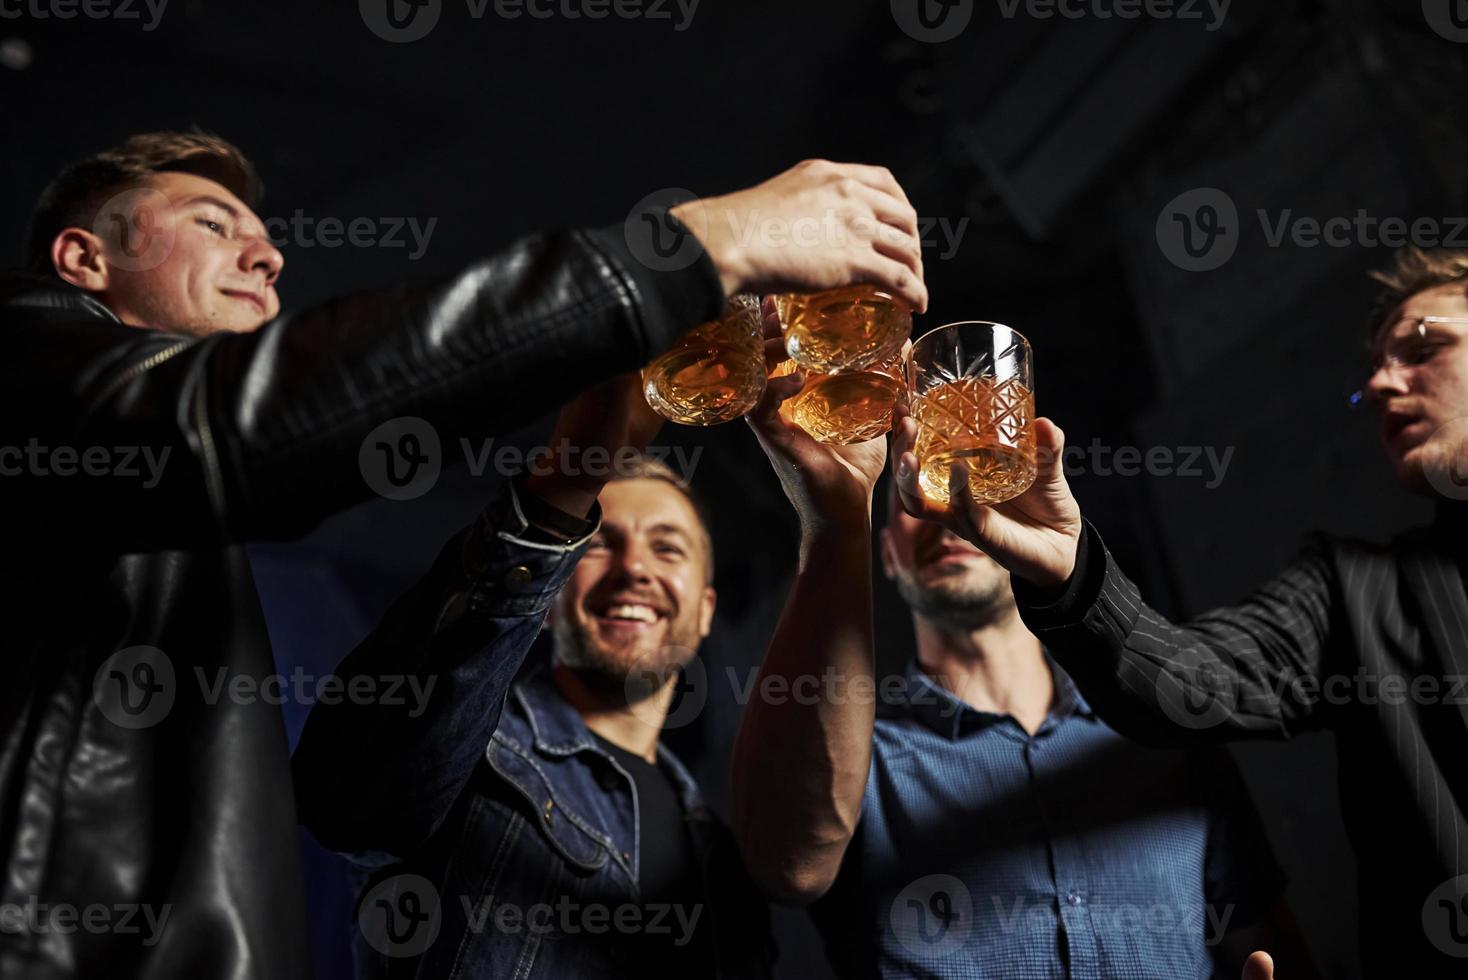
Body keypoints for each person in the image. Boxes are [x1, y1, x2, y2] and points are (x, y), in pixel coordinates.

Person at [0, 129, 926, 979]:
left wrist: (838, 516)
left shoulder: (706, 838)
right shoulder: (33, 359)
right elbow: (241, 431)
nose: (270, 255)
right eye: (212, 222)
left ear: (712, 606)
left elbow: (802, 859)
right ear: (86, 258)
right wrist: (694, 249)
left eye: (670, 546)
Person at [887, 245, 1468, 976]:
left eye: (1423, 348)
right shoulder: (1357, 595)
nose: (1382, 383)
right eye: (1376, 365)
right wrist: (1069, 569)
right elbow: (1185, 686)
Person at [730, 332, 1310, 978]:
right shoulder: (857, 762)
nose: (947, 504)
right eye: (917, 488)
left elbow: (1272, 943)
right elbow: (787, 865)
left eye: (965, 470)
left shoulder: (1163, 726)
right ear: (888, 554)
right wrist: (836, 520)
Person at [292, 380, 772, 976]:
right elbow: (346, 803)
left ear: (704, 610)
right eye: (601, 545)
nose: (635, 569)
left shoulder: (722, 857)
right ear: (550, 595)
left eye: (668, 549)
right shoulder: (469, 756)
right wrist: (563, 487)